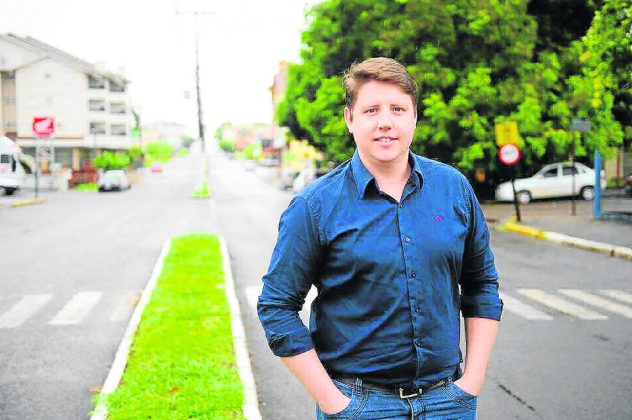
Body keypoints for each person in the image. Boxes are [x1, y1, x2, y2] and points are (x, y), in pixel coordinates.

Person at [258, 57, 502, 419]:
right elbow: (276, 307)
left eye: (398, 109)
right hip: (359, 405)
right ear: (349, 119)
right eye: (371, 110)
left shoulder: (453, 188)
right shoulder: (315, 205)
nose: (385, 122)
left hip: (448, 402)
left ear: (414, 117)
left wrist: (472, 381)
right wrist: (334, 403)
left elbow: (481, 284)